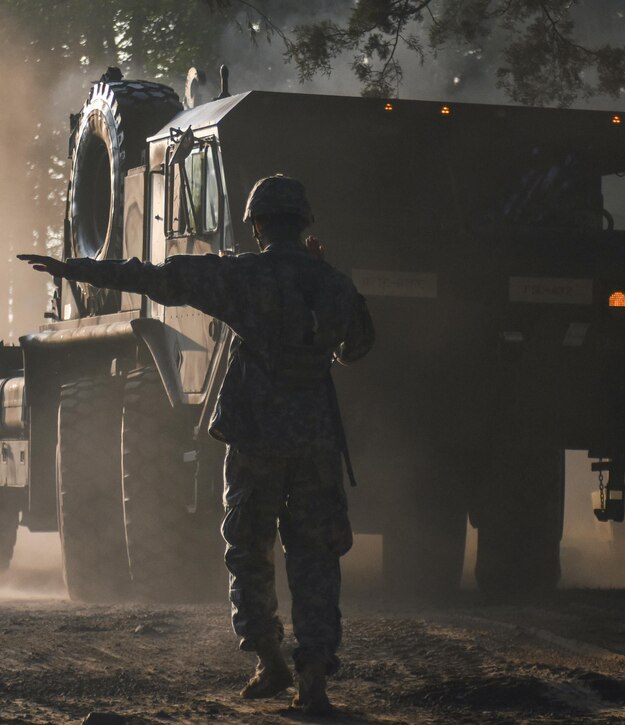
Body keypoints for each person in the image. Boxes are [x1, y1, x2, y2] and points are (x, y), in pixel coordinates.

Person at [19, 174, 374, 714]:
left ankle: (268, 658)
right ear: (304, 224)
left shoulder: (241, 276)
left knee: (249, 550)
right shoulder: (333, 283)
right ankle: (316, 677)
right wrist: (323, 275)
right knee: (316, 556)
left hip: (255, 439)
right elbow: (358, 346)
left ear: (257, 225)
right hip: (316, 442)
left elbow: (155, 280)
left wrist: (73, 269)